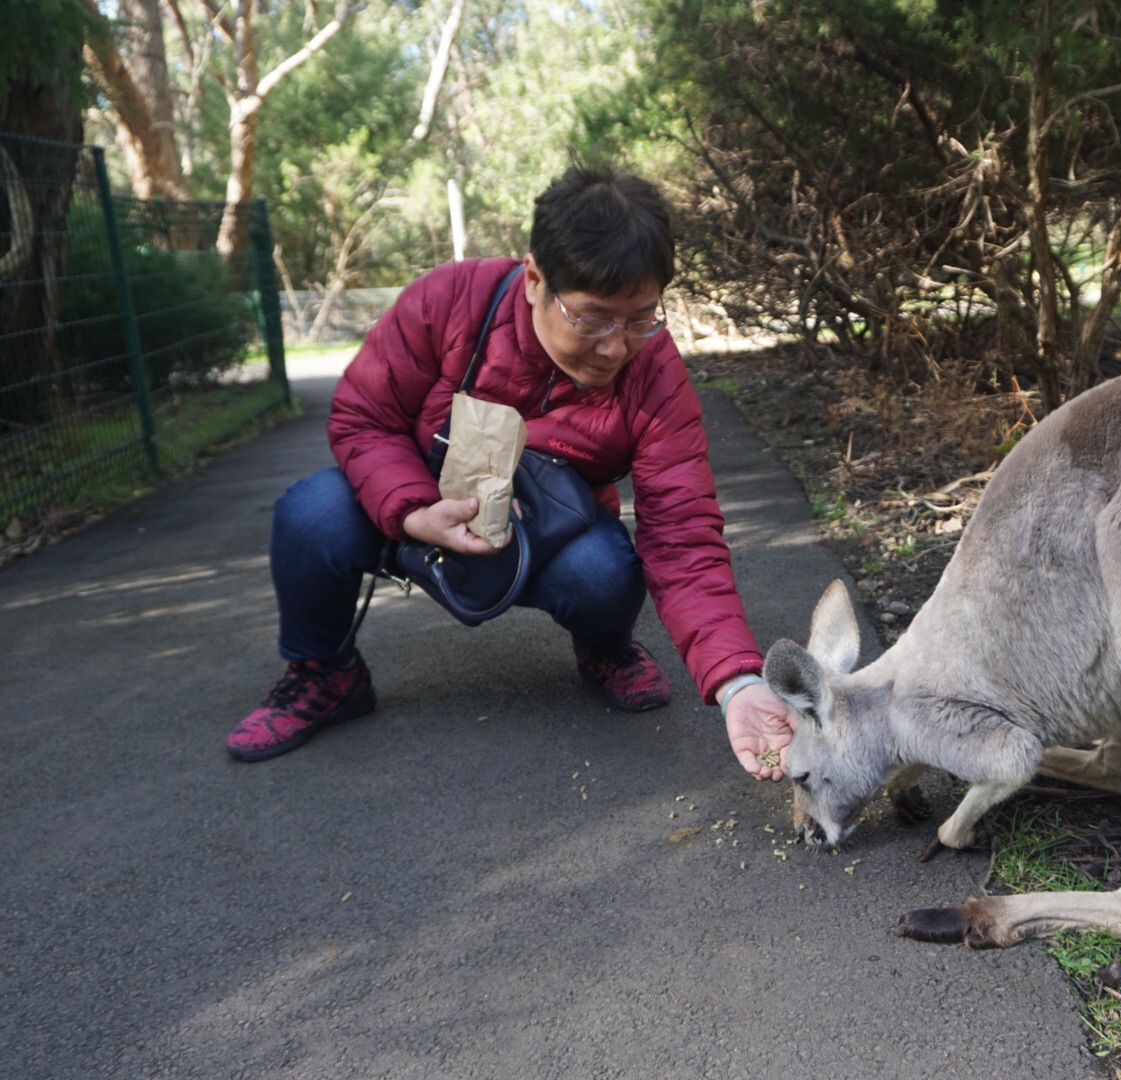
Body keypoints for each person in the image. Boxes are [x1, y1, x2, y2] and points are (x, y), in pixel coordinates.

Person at [226, 164, 794, 779]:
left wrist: (738, 681)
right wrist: (416, 512)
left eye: (640, 318)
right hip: (422, 510)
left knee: (607, 571)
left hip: (551, 532)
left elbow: (682, 533)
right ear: (533, 279)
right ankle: (325, 673)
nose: (615, 347)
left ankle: (604, 648)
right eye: (593, 318)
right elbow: (363, 417)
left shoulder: (651, 368)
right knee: (312, 511)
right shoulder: (449, 300)